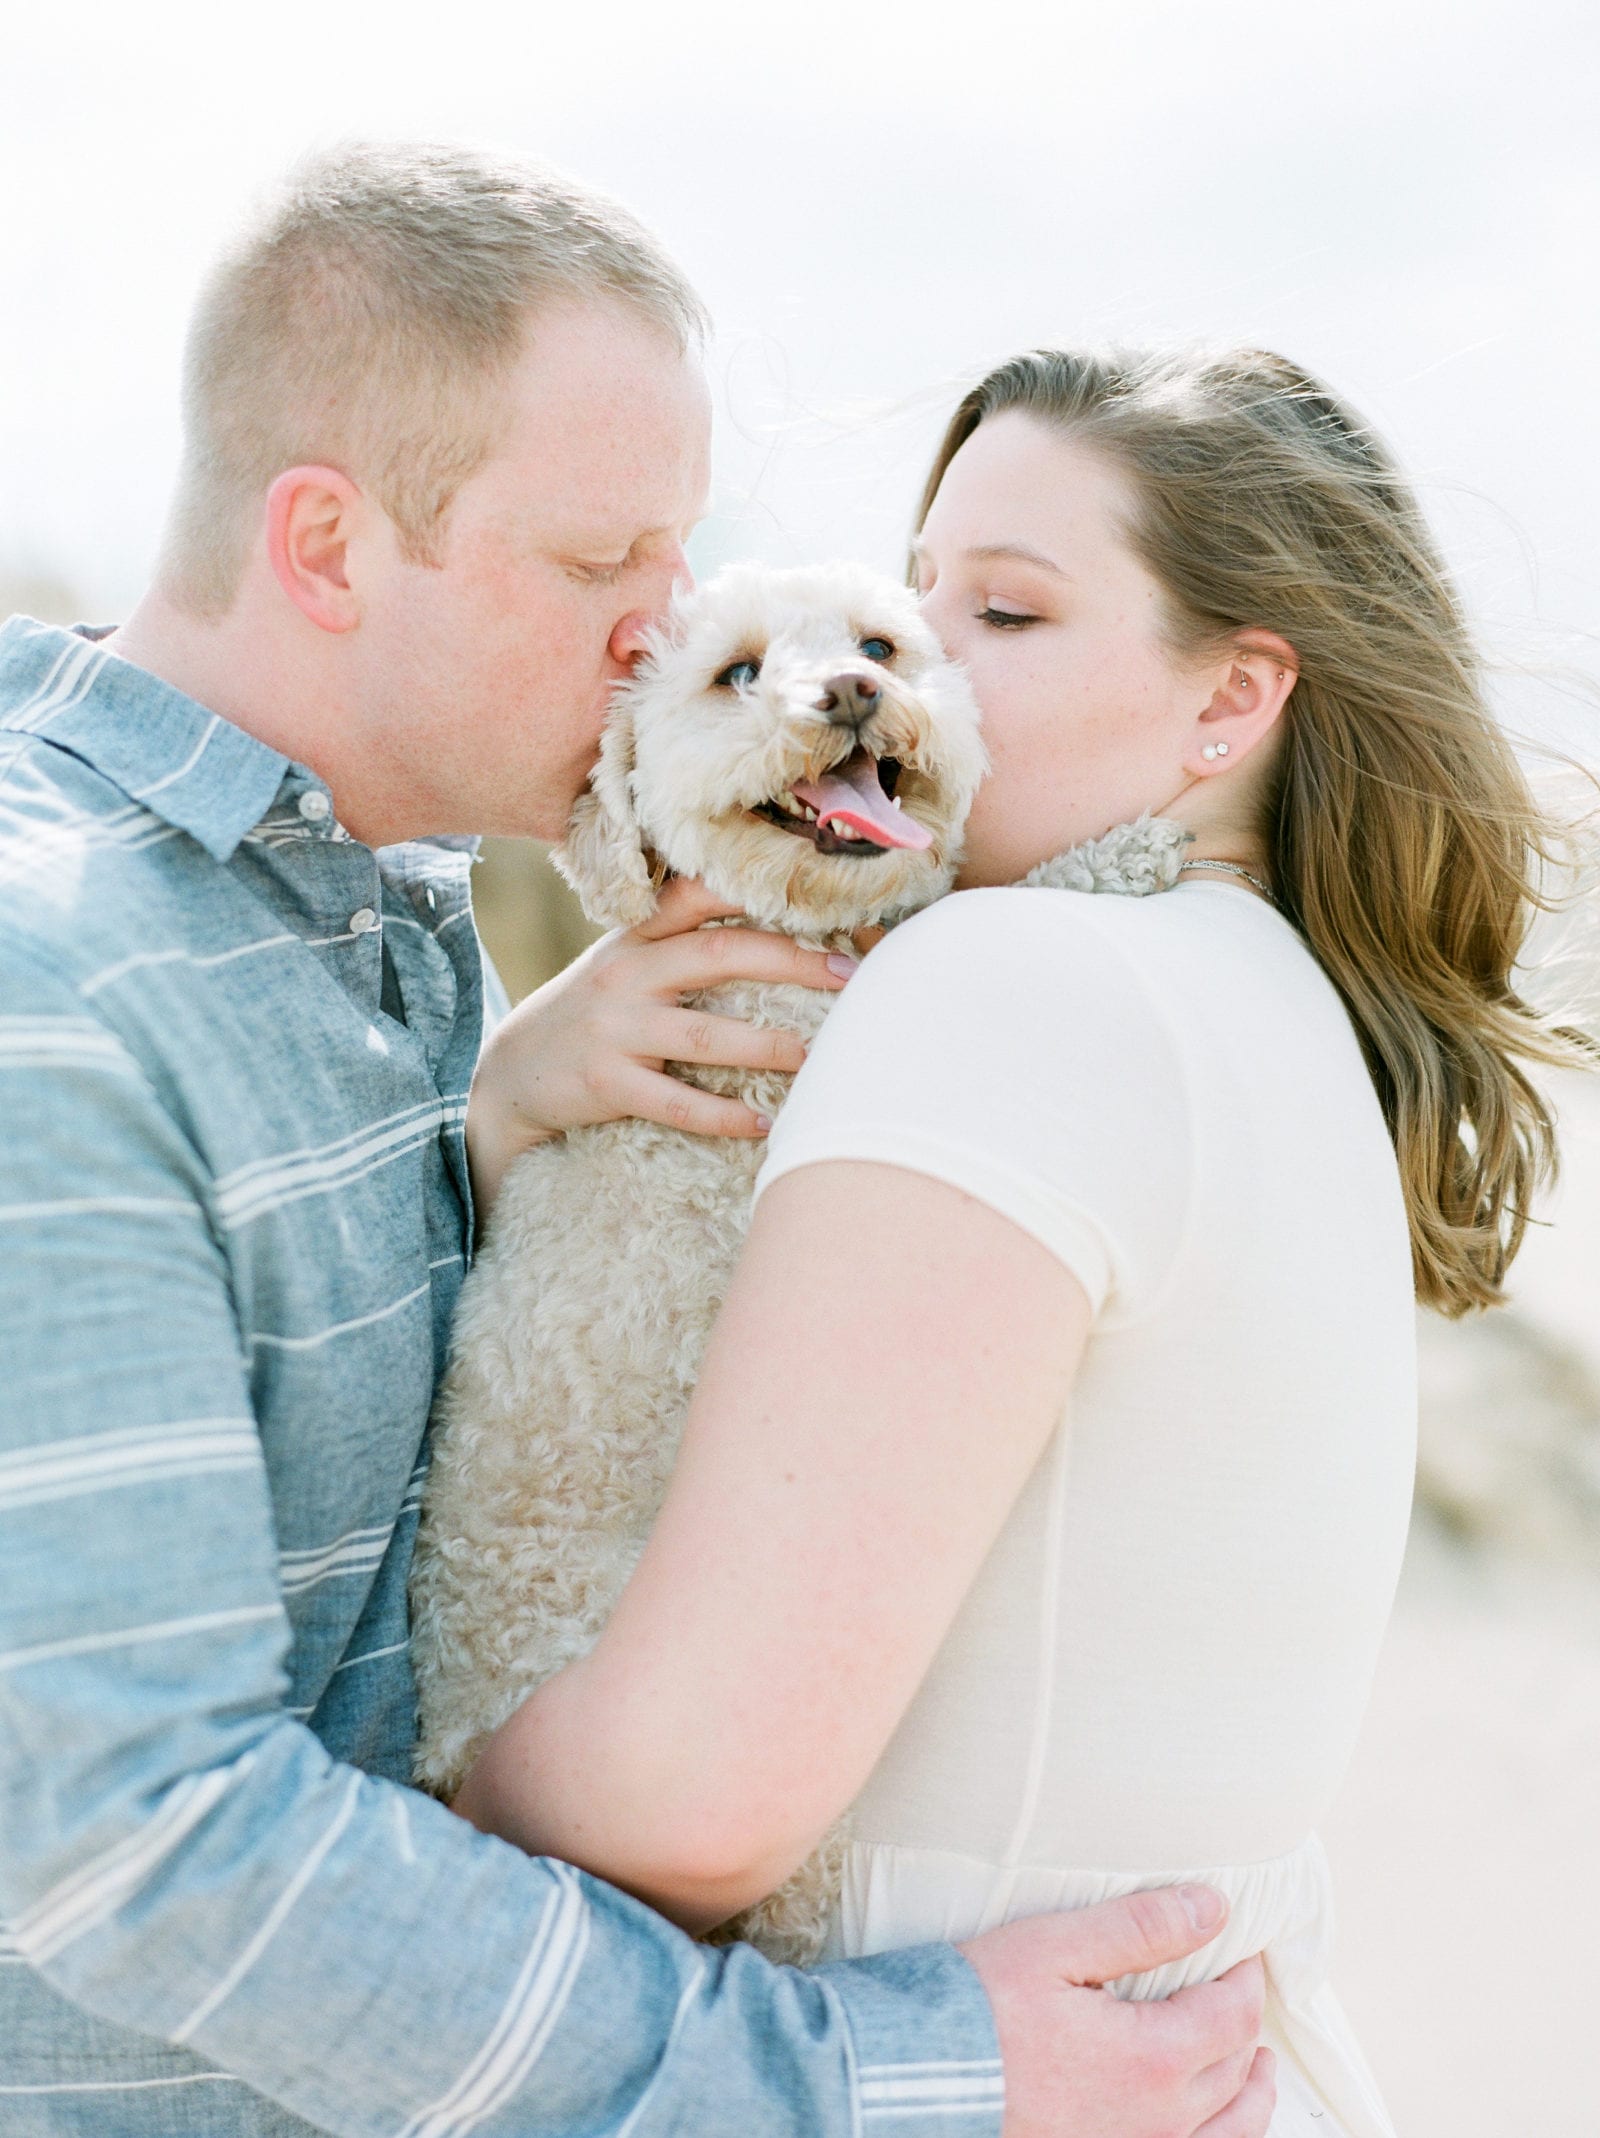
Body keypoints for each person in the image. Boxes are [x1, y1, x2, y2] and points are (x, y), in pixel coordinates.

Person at [0, 145, 1274, 2138]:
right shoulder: (49, 991)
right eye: (602, 567)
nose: (661, 632)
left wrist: (482, 1130)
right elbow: (127, 1840)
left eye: (677, 566)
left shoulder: (375, 904)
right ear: (329, 548)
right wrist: (878, 2076)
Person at [449, 344, 1593, 2135]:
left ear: (1233, 697)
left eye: (1003, 612)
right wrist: (517, 1107)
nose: (896, 672)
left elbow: (688, 1794)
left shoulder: (1010, 986)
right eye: (919, 593)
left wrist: (368, 1811)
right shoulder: (1287, 1020)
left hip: (960, 2075)